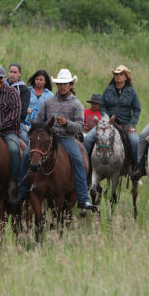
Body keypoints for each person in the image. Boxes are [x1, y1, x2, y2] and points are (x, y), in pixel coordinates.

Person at [10, 69, 97, 211]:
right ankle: (23, 190)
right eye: (59, 84)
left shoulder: (76, 104)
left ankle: (83, 198)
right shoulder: (48, 102)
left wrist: (67, 123)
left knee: (78, 159)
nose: (62, 86)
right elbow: (39, 121)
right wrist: (41, 129)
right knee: (27, 154)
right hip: (47, 138)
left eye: (65, 84)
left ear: (70, 85)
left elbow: (80, 126)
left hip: (66, 138)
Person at [83, 65, 141, 174]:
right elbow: (102, 106)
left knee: (135, 141)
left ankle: (136, 167)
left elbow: (137, 109)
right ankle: (84, 165)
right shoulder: (108, 90)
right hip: (107, 123)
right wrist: (107, 119)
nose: (118, 76)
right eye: (116, 74)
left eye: (121, 74)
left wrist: (132, 125)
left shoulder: (131, 92)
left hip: (125, 123)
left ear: (125, 77)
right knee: (88, 139)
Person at [6, 63, 31, 144]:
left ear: (20, 74)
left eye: (15, 72)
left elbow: (23, 111)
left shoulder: (25, 90)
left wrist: (9, 120)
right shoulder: (1, 87)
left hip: (17, 123)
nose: (12, 74)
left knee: (28, 142)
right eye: (10, 72)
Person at [25, 69, 54, 136]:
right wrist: (26, 110)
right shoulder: (27, 91)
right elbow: (21, 105)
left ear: (45, 82)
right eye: (37, 79)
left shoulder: (50, 95)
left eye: (41, 80)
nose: (38, 81)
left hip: (42, 126)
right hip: (26, 123)